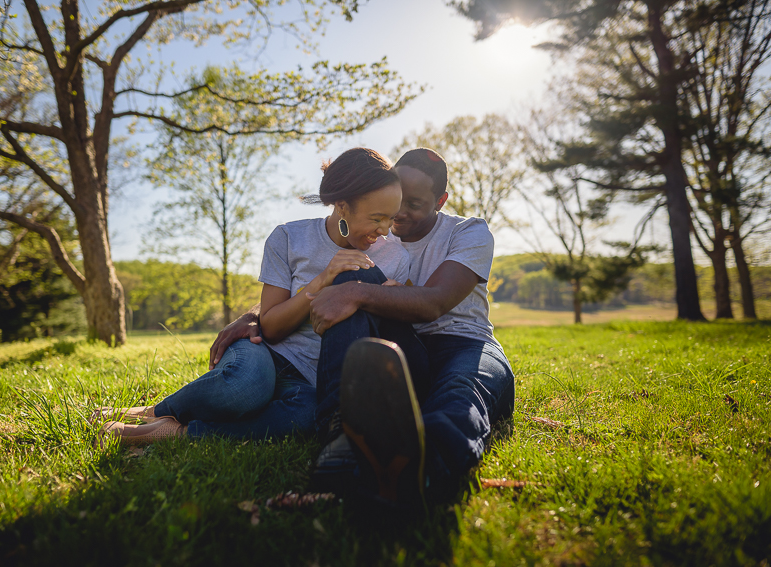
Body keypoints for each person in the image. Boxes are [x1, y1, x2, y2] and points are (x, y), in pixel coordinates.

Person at [212, 147, 515, 505]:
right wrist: (255, 313)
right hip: (395, 347)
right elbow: (317, 278)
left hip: (463, 343)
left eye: (413, 203)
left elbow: (434, 302)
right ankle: (342, 435)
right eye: (393, 199)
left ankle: (425, 472)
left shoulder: (468, 233)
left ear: (440, 201)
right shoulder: (373, 230)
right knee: (351, 278)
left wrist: (357, 292)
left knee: (458, 393)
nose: (397, 213)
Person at [94, 148, 410, 446]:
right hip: (265, 353)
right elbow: (270, 326)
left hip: (312, 381)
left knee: (308, 417)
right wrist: (323, 280)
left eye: (391, 219)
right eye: (377, 218)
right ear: (343, 205)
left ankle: (176, 432)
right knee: (243, 387)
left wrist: (387, 302)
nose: (385, 230)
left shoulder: (394, 258)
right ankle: (155, 412)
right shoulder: (289, 238)